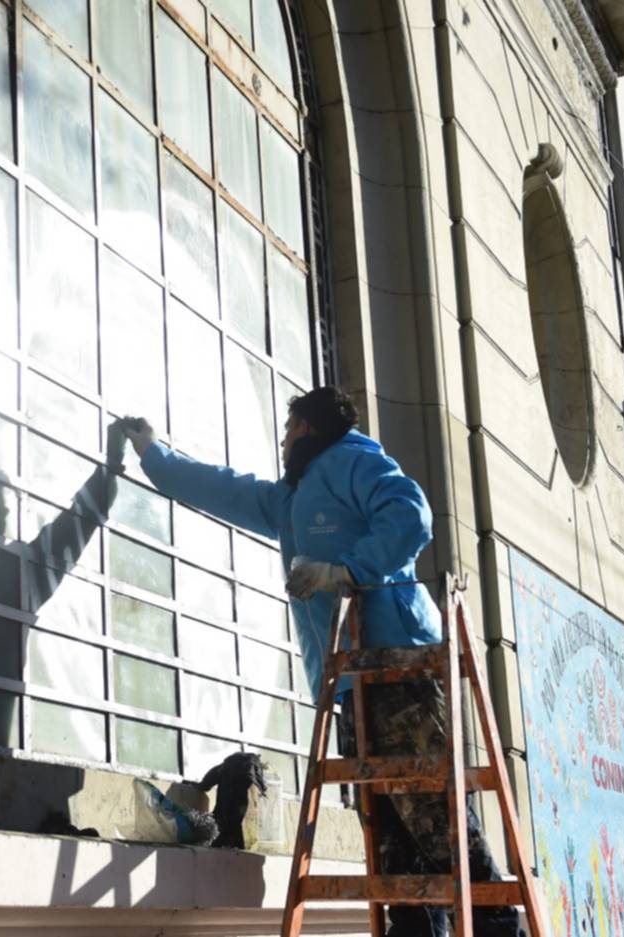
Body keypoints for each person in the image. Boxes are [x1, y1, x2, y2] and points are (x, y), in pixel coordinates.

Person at [120, 387, 519, 937]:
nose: (282, 443)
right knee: (386, 830)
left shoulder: (352, 457)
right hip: (351, 677)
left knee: (430, 811)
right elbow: (225, 489)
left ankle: (498, 924)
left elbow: (411, 515)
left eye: (287, 431)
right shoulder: (290, 497)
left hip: (397, 663)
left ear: (306, 427)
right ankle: (416, 928)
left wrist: (350, 570)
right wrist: (154, 455)